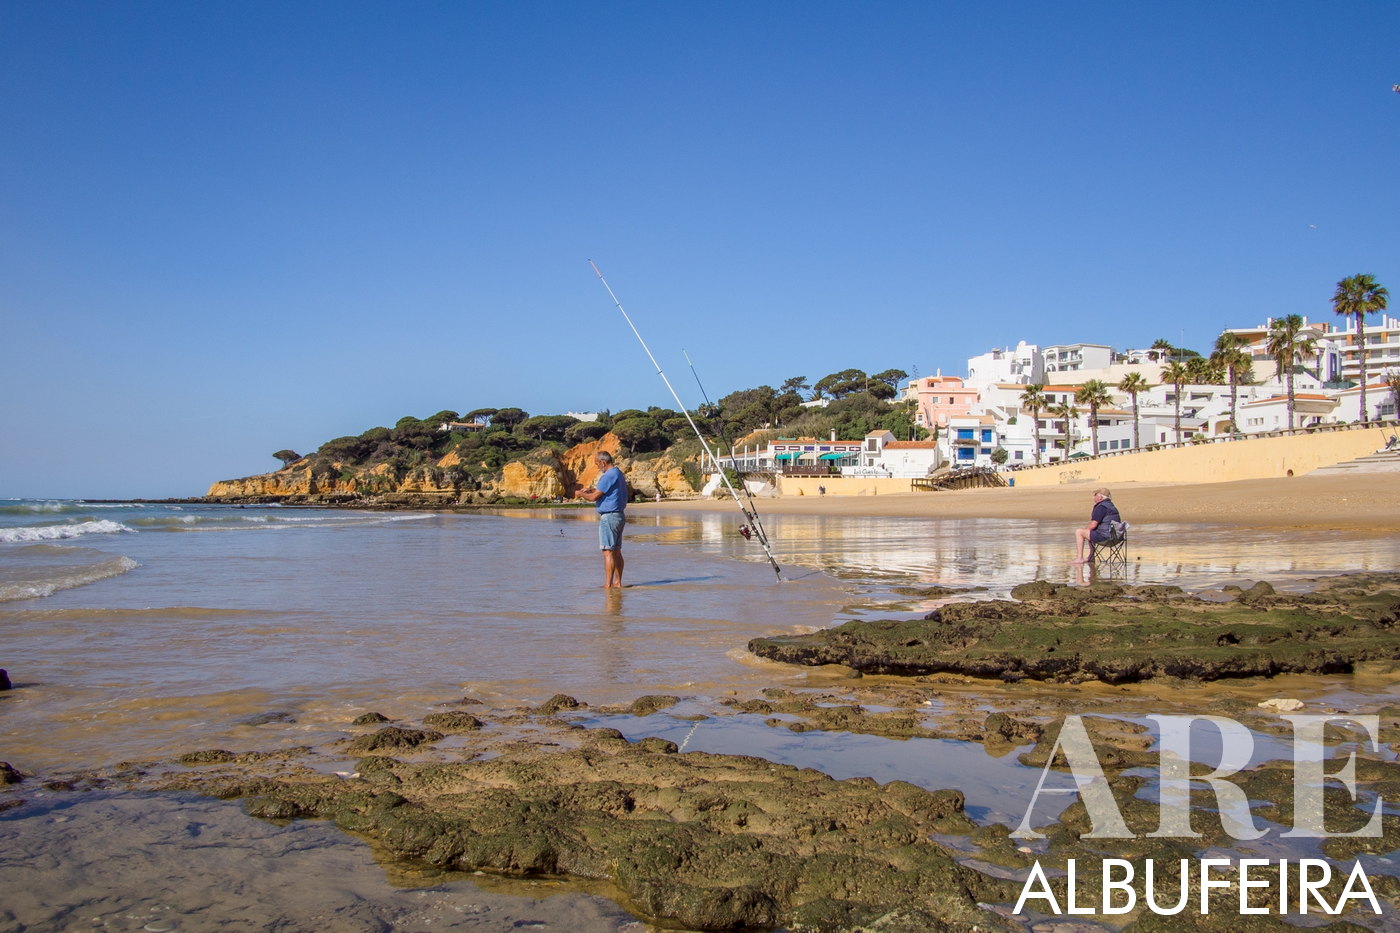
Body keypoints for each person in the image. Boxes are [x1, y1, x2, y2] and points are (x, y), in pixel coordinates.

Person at [576, 451, 627, 587]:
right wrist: (592, 489)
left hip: (609, 516)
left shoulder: (608, 475)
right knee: (616, 550)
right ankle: (618, 582)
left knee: (607, 551)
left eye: (597, 464)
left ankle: (608, 585)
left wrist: (580, 494)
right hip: (619, 515)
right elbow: (607, 492)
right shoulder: (618, 473)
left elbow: (594, 498)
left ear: (603, 462)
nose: (598, 467)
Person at [1071, 487, 1121, 564]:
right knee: (1090, 531)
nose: (1094, 497)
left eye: (1095, 495)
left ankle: (1079, 558)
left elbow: (1094, 524)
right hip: (1117, 538)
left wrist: (1085, 531)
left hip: (1106, 538)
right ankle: (1091, 556)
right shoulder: (1112, 506)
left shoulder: (1101, 507)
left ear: (1100, 497)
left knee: (1079, 532)